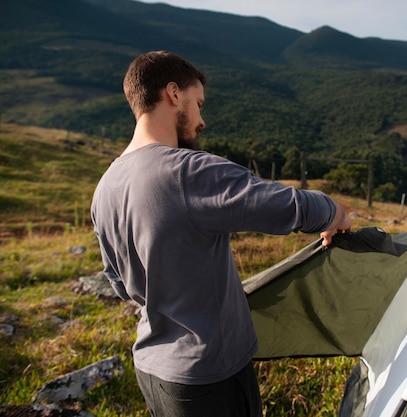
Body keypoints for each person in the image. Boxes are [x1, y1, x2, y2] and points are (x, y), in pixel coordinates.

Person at [90, 50, 351, 417]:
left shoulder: (106, 187)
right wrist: (334, 212)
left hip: (152, 370)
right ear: (173, 94)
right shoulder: (186, 171)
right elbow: (282, 204)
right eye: (198, 104)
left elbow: (119, 284)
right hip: (207, 376)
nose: (201, 120)